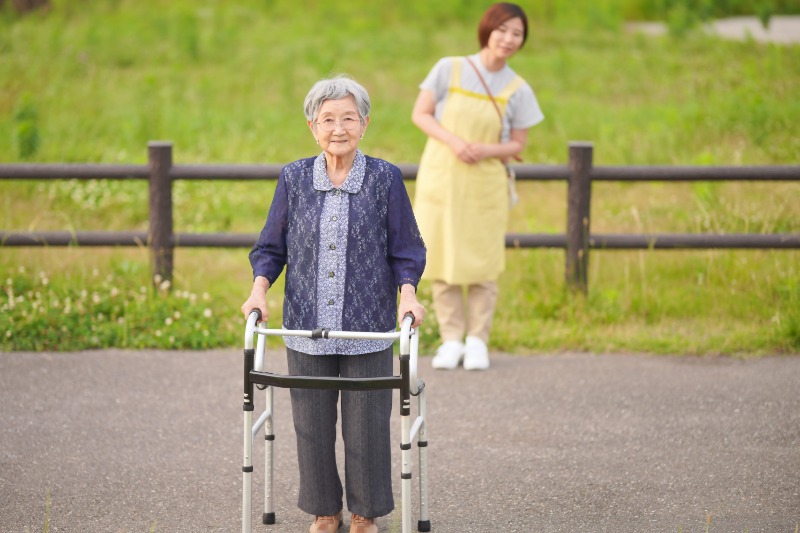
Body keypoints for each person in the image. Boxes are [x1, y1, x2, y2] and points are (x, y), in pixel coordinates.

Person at [241, 75, 426, 533]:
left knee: (366, 426)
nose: (337, 128)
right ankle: (326, 512)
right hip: (306, 323)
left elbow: (406, 249)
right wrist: (259, 290)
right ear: (312, 126)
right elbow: (271, 247)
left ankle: (365, 515)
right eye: (328, 119)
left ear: (364, 124)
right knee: (311, 424)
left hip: (367, 326)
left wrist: (409, 294)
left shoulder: (384, 178)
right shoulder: (295, 178)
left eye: (348, 118)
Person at [411, 2, 544, 371]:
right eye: (502, 30)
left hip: (485, 182)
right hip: (443, 176)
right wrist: (454, 142)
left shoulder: (519, 89)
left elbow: (518, 145)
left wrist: (485, 149)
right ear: (487, 29)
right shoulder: (449, 68)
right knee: (440, 255)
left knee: (483, 260)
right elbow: (420, 113)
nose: (508, 39)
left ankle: (478, 341)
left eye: (517, 33)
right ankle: (451, 339)